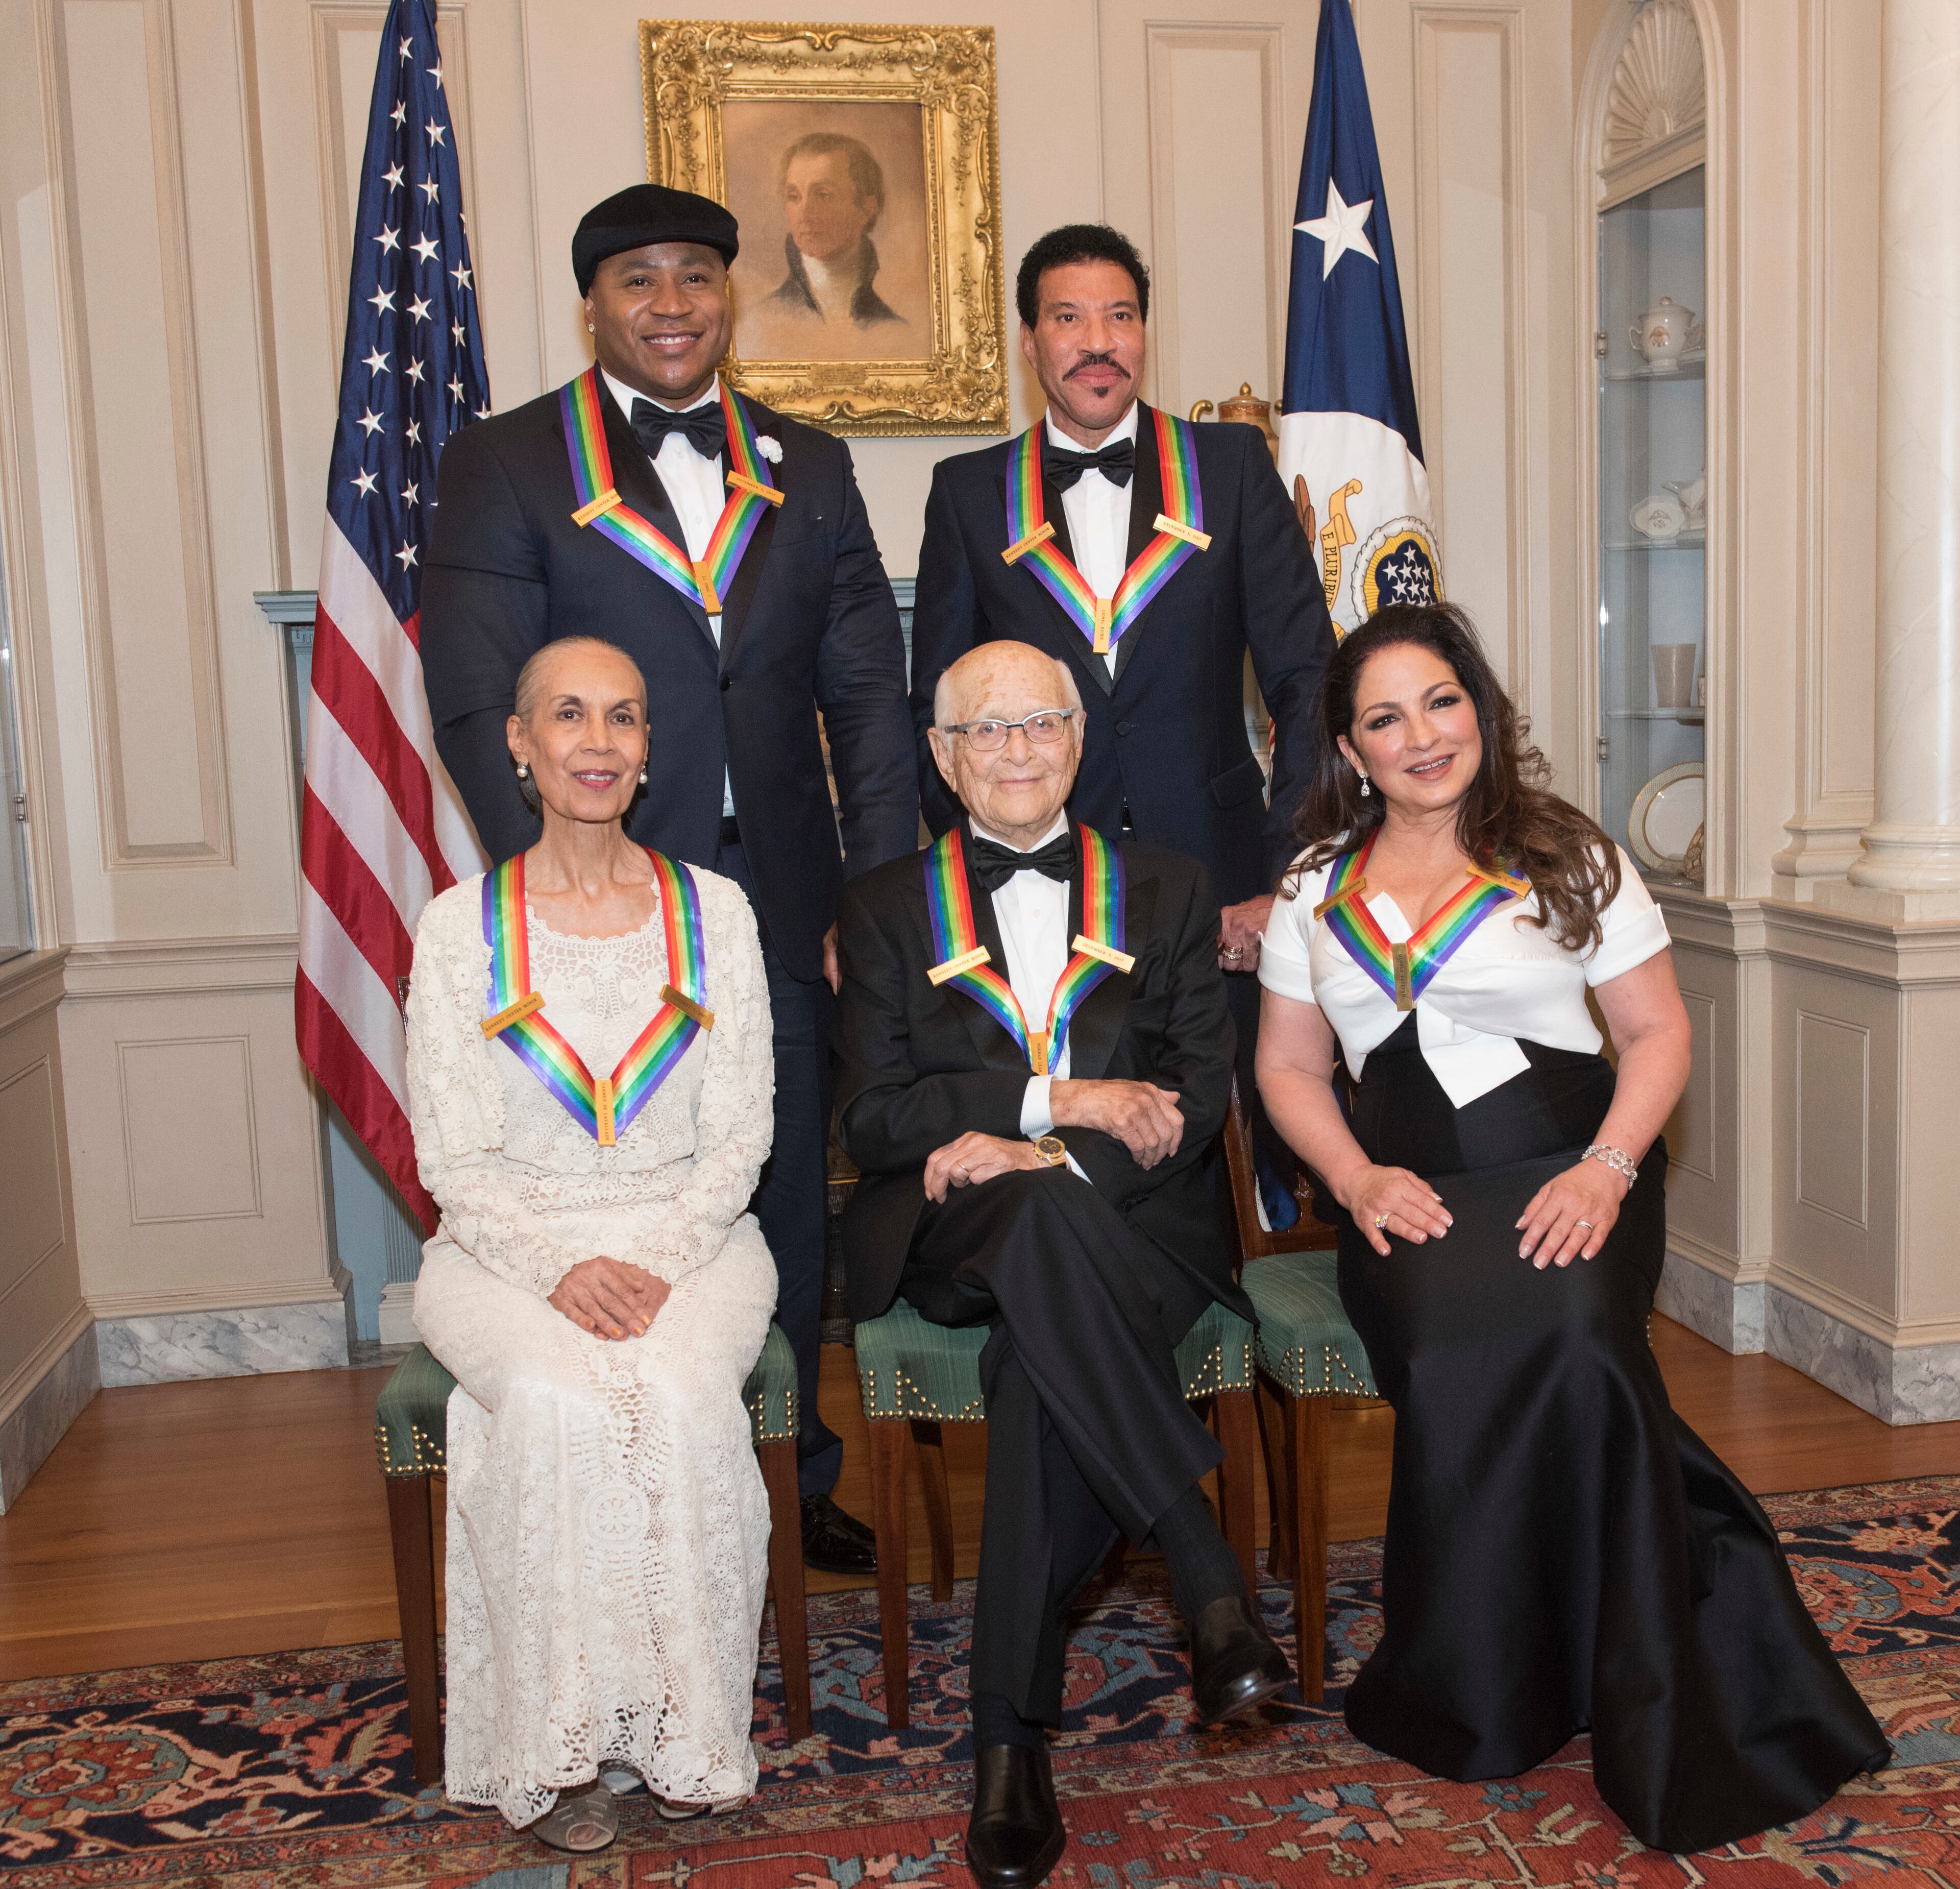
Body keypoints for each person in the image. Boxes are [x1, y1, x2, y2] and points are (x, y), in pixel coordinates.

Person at [1254, 603, 1890, 1853]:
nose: (1420, 735)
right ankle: (1485, 1680)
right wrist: (1354, 1179)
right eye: (1384, 717)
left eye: (1440, 701)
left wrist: (1605, 1172)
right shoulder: (1310, 889)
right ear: (1349, 747)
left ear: (1478, 710)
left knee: (1579, 1344)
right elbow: (1287, 1067)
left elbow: (1655, 1037)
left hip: (1568, 1160)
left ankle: (1652, 1672)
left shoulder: (1569, 855)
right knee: (1450, 1353)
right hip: (1409, 1191)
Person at [422, 182, 918, 1576]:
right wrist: (552, 901)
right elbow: (476, 699)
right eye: (639, 279)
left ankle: (790, 1459)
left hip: (786, 898)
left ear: (729, 293)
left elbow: (869, 696)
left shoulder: (807, 467)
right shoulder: (509, 460)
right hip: (600, 906)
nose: (672, 304)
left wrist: (870, 904)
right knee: (610, 1170)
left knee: (780, 1180)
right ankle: (612, 1453)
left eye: (696, 276)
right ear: (595, 304)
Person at [834, 640, 1293, 1889]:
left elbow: (1199, 1099)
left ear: (1079, 739)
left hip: (1129, 1227)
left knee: (1047, 1346)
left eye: (1040, 722)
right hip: (950, 1235)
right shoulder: (882, 904)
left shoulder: (1171, 885)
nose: (1018, 750)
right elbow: (871, 1118)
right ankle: (1201, 1570)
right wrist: (1056, 1098)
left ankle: (1005, 1742)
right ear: (941, 757)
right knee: (1031, 1232)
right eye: (985, 731)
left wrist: (1041, 1155)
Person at [408, 637, 778, 1849]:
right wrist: (556, 1265)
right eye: (567, 716)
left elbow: (742, 1137)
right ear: (519, 742)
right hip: (504, 1248)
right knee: (564, 1403)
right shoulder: (459, 928)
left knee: (671, 1395)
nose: (597, 741)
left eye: (622, 717)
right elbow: (453, 1163)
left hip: (697, 1234)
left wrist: (660, 1258)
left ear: (646, 745)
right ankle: (560, 1750)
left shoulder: (713, 909)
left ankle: (683, 1729)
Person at [909, 222, 1336, 1224]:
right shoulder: (969, 497)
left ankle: (1243, 1369)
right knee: (1074, 1173)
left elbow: (1309, 681)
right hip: (1043, 902)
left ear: (1145, 332)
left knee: (1244, 1171)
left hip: (1227, 890)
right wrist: (961, 898)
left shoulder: (1231, 468)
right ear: (1030, 342)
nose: (1098, 340)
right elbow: (934, 715)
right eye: (1069, 317)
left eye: (1121, 315)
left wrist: (1284, 879)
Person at [765, 132, 905, 328]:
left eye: (823, 195)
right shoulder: (765, 317)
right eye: (794, 196)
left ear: (866, 208)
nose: (804, 214)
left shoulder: (893, 328)